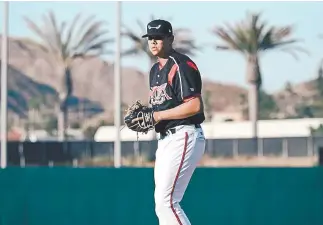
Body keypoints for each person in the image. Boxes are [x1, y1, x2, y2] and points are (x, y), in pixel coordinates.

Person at [141, 19, 206, 225]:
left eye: (158, 38)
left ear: (170, 39)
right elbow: (163, 107)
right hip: (166, 139)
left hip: (184, 134)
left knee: (166, 202)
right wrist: (148, 116)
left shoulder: (181, 65)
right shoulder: (154, 71)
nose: (153, 42)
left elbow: (195, 105)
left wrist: (158, 116)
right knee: (161, 204)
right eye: (150, 38)